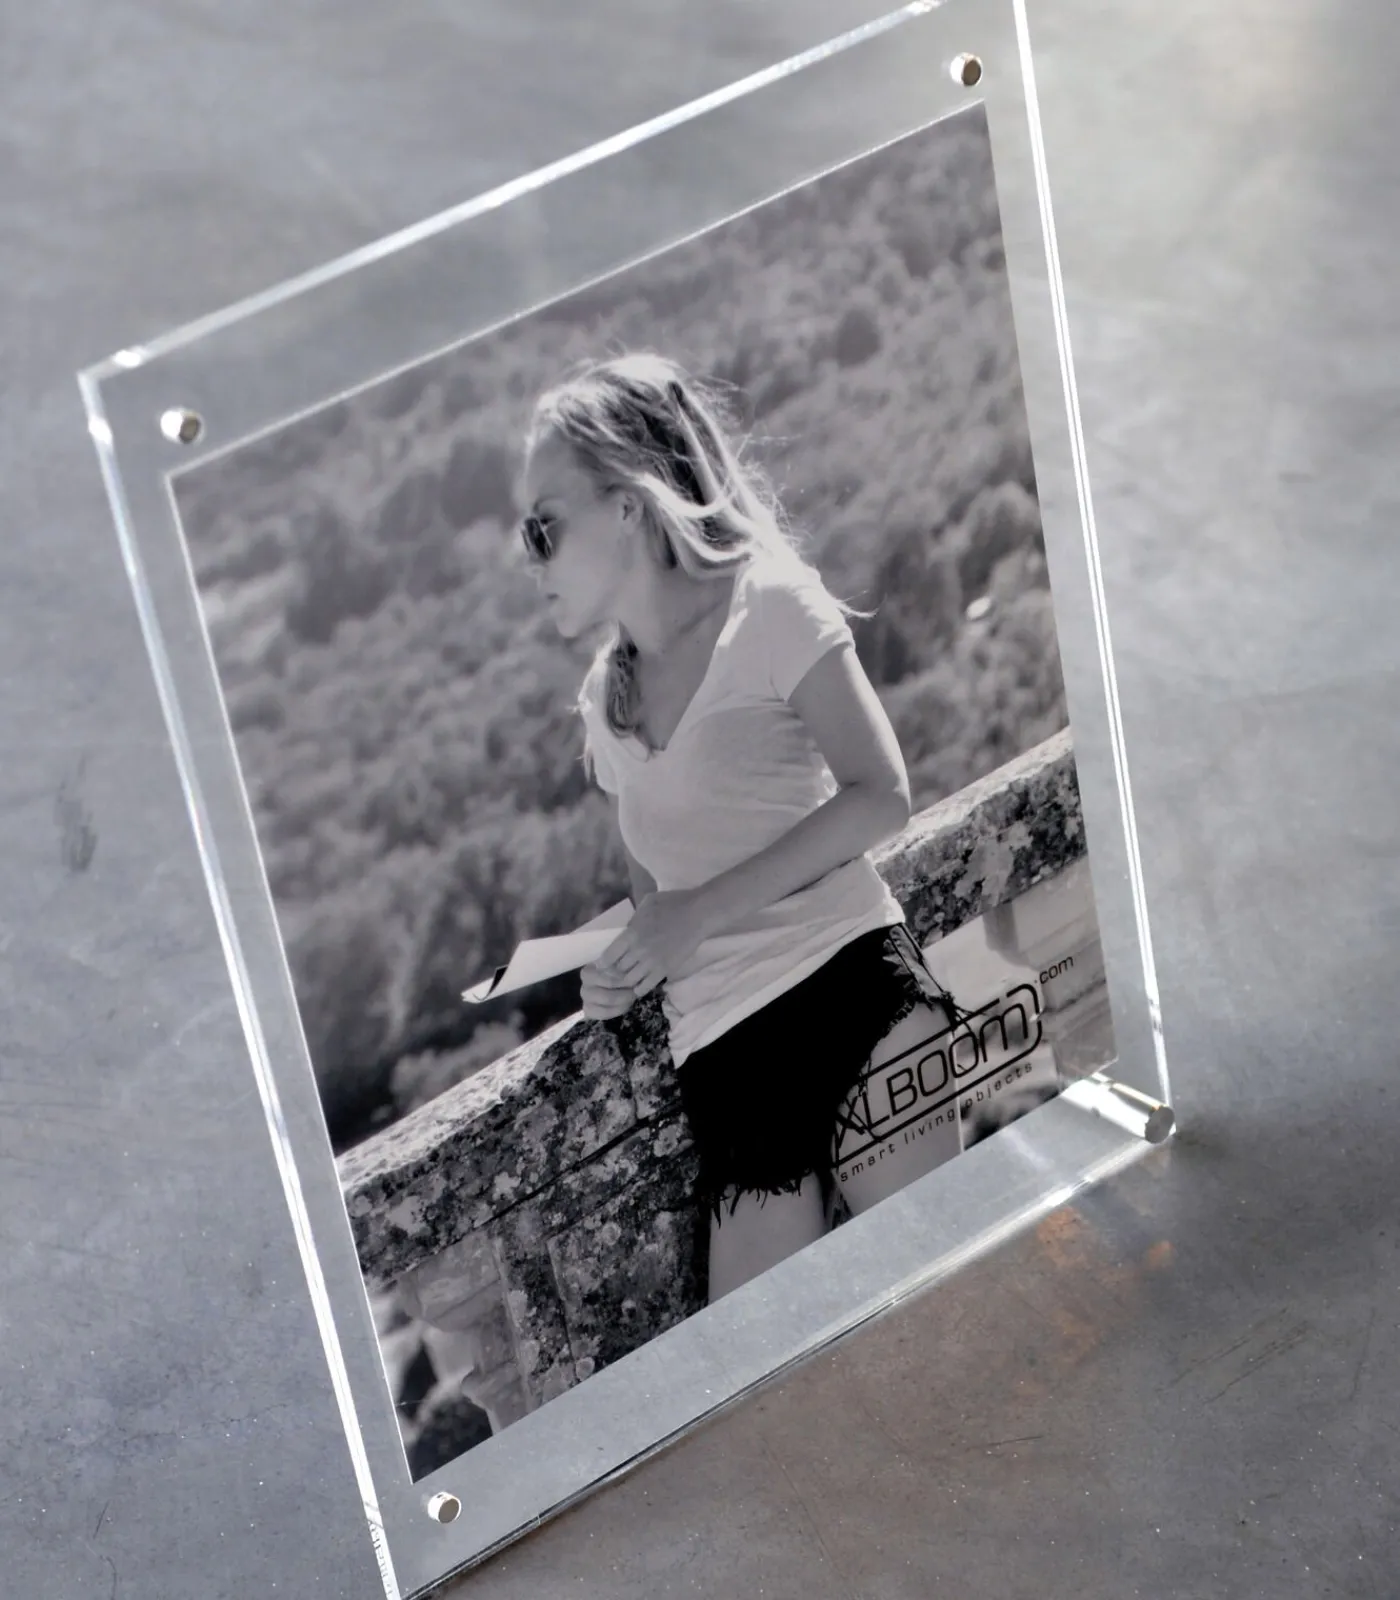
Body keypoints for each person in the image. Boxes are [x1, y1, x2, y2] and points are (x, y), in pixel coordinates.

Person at [518, 351, 963, 1301]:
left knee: (949, 1313)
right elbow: (659, 901)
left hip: (854, 997)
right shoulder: (605, 704)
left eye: (543, 528)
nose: (532, 560)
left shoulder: (768, 605)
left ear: (627, 504)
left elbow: (881, 793)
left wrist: (697, 914)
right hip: (723, 1058)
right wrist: (620, 964)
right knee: (773, 1378)